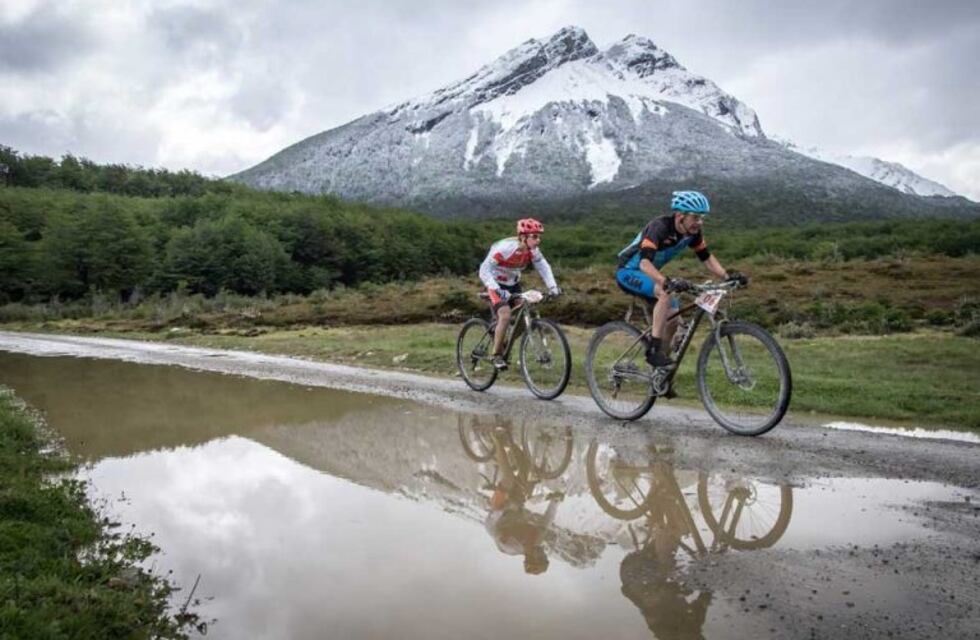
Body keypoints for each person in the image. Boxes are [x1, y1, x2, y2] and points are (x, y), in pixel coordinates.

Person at [615, 191, 746, 369]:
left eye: (702, 218)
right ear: (680, 216)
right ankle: (653, 350)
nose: (699, 222)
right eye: (695, 217)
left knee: (673, 321)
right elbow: (645, 263)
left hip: (649, 274)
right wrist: (664, 281)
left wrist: (728, 277)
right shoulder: (659, 227)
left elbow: (706, 258)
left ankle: (661, 371)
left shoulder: (693, 233)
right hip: (629, 272)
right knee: (665, 291)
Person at [478, 218, 561, 370]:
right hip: (495, 284)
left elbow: (543, 267)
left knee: (526, 313)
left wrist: (553, 287)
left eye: (538, 236)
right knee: (505, 315)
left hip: (513, 284)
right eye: (534, 236)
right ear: (523, 237)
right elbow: (484, 270)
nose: (538, 240)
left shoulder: (533, 251)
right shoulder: (504, 249)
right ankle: (496, 355)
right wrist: (497, 289)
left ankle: (505, 341)